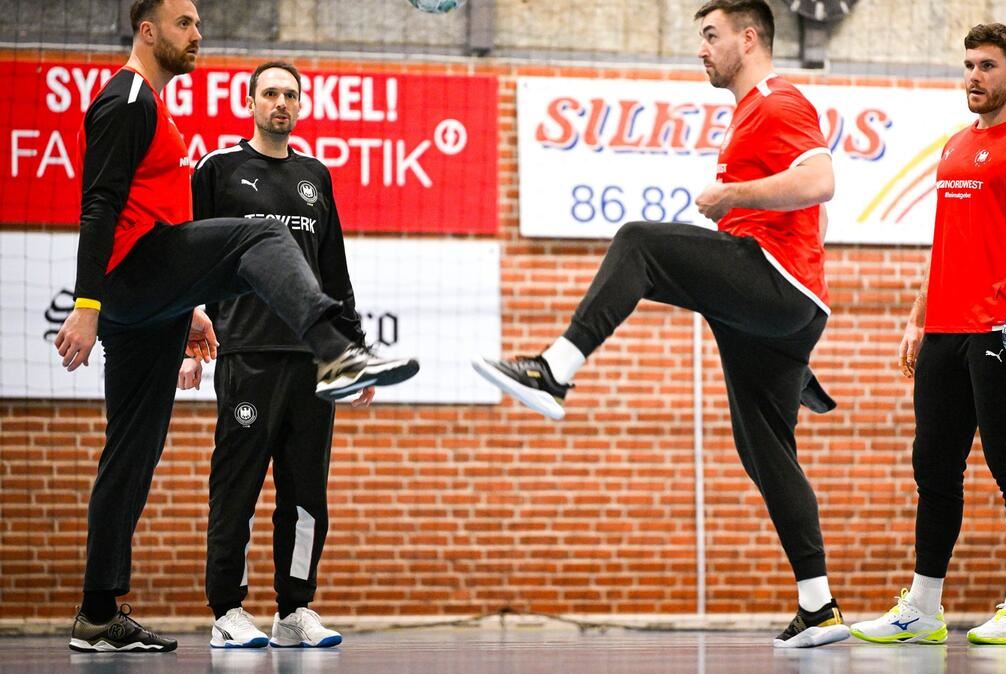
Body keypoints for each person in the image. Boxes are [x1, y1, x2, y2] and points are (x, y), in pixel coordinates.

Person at [473, 0, 848, 648]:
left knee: (640, 243)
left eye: (711, 35)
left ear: (749, 36)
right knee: (766, 454)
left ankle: (554, 371)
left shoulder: (777, 101)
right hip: (781, 310)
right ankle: (820, 609)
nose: (701, 48)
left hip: (778, 286)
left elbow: (821, 181)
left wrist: (734, 198)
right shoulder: (748, 115)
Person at [55, 0, 417, 653]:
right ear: (147, 28)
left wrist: (189, 302)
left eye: (197, 23)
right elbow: (100, 205)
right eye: (185, 23)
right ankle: (334, 348)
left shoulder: (166, 111)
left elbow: (166, 228)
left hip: (154, 297)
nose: (197, 33)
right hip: (145, 293)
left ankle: (97, 612)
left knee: (130, 455)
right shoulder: (130, 99)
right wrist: (87, 302)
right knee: (259, 237)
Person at [851, 23, 1006, 646]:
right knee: (934, 469)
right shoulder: (953, 148)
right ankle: (923, 609)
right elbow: (945, 241)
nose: (973, 75)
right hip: (946, 331)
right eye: (968, 64)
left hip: (1003, 330)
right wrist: (918, 317)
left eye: (986, 66)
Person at [177, 61, 389, 649]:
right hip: (245, 351)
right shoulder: (217, 170)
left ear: (302, 105)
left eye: (290, 94)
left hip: (311, 364)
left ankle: (294, 610)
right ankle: (227, 611)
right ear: (250, 102)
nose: (280, 103)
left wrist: (352, 351)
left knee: (306, 493)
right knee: (237, 487)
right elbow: (192, 261)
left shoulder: (316, 176)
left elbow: (333, 274)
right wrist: (186, 343)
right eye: (270, 93)